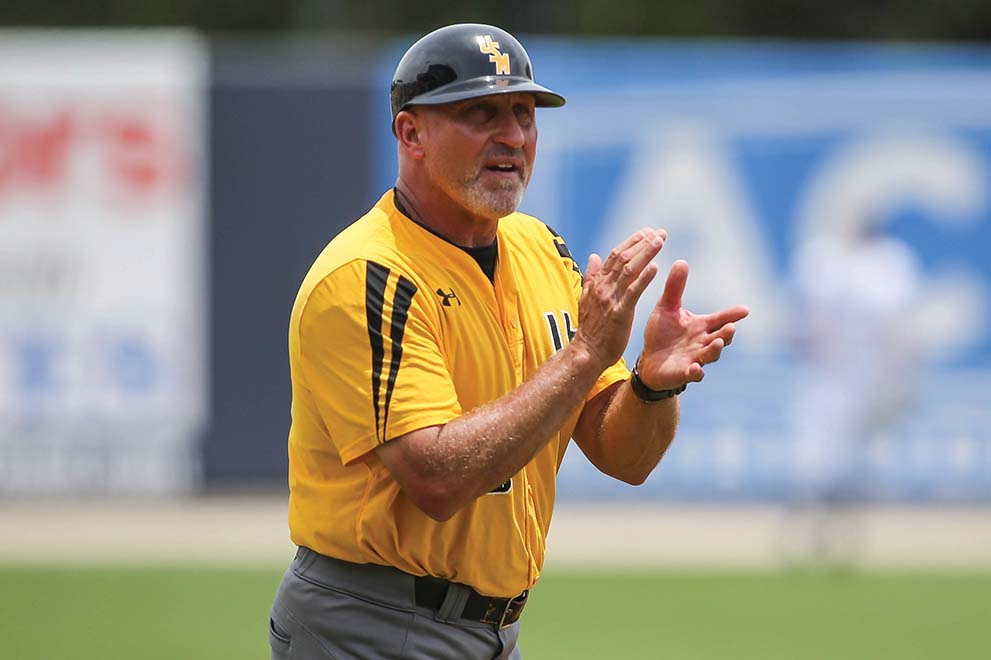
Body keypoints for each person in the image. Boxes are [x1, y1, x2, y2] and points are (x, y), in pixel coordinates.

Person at [269, 23, 748, 659]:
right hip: (373, 622)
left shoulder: (540, 248)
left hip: (493, 631)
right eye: (480, 113)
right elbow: (436, 479)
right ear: (411, 133)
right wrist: (586, 354)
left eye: (524, 114)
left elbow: (623, 456)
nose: (514, 136)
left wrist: (650, 386)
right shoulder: (369, 275)